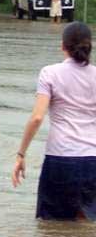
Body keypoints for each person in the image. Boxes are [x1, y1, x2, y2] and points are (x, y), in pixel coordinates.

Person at [12, 22, 96, 220]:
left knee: (52, 228)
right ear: (89, 45)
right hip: (93, 160)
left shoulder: (49, 73)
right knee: (86, 227)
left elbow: (37, 118)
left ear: (63, 46)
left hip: (60, 159)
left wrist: (21, 154)